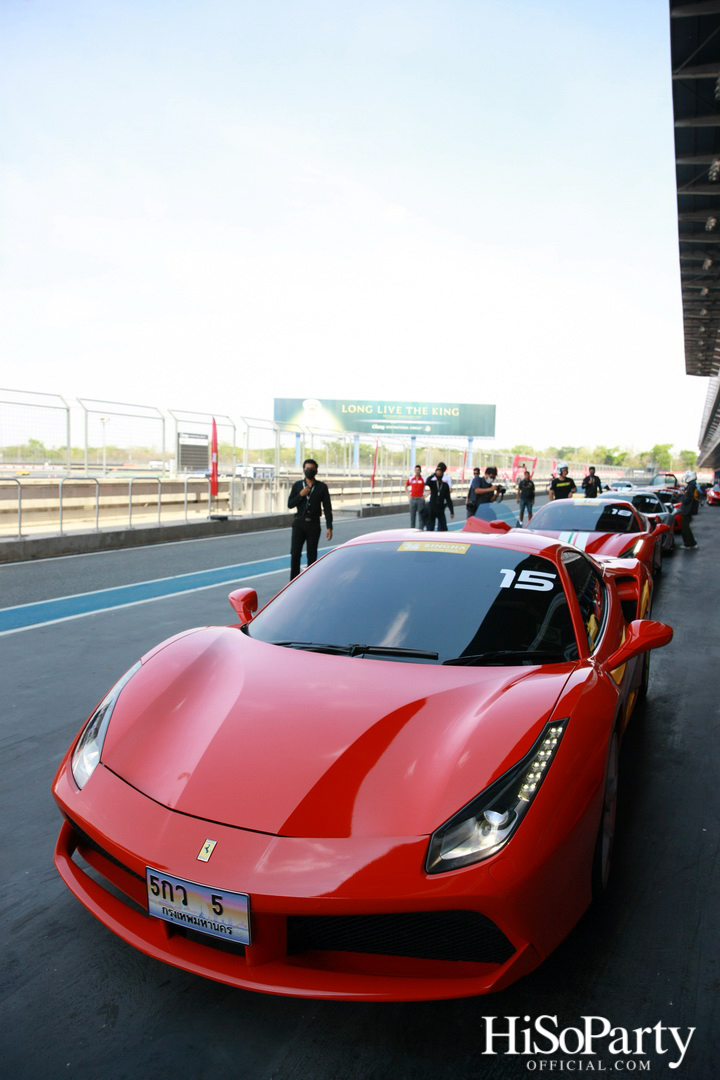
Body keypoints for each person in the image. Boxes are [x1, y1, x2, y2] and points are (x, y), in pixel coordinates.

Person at [287, 458, 333, 579]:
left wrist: (329, 526)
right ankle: (293, 581)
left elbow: (327, 507)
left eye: (312, 469)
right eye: (307, 469)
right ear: (303, 470)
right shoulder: (297, 486)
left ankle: (310, 580)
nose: (309, 471)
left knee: (312, 555)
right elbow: (290, 504)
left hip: (314, 524)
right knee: (295, 554)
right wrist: (300, 495)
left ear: (316, 471)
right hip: (299, 523)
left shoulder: (322, 487)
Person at [425, 466, 454, 531]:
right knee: (430, 527)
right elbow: (427, 482)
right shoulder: (433, 483)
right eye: (437, 473)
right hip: (432, 508)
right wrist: (433, 475)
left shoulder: (445, 485)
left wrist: (451, 511)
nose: (439, 474)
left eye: (440, 473)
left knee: (443, 527)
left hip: (440, 508)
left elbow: (448, 499)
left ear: (442, 474)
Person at [680, 469, 699, 549]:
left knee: (685, 528)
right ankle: (691, 543)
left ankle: (689, 544)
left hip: (687, 510)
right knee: (686, 527)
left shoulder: (691, 487)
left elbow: (687, 499)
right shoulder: (693, 486)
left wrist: (682, 495)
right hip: (689, 510)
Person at [405, 464, 426, 528]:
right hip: (412, 499)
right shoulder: (411, 478)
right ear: (414, 471)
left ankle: (420, 531)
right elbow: (406, 486)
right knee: (412, 517)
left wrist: (426, 495)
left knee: (421, 517)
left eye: (418, 470)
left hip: (420, 499)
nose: (417, 471)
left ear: (420, 471)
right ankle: (412, 531)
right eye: (416, 470)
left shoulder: (424, 478)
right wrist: (408, 495)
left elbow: (431, 487)